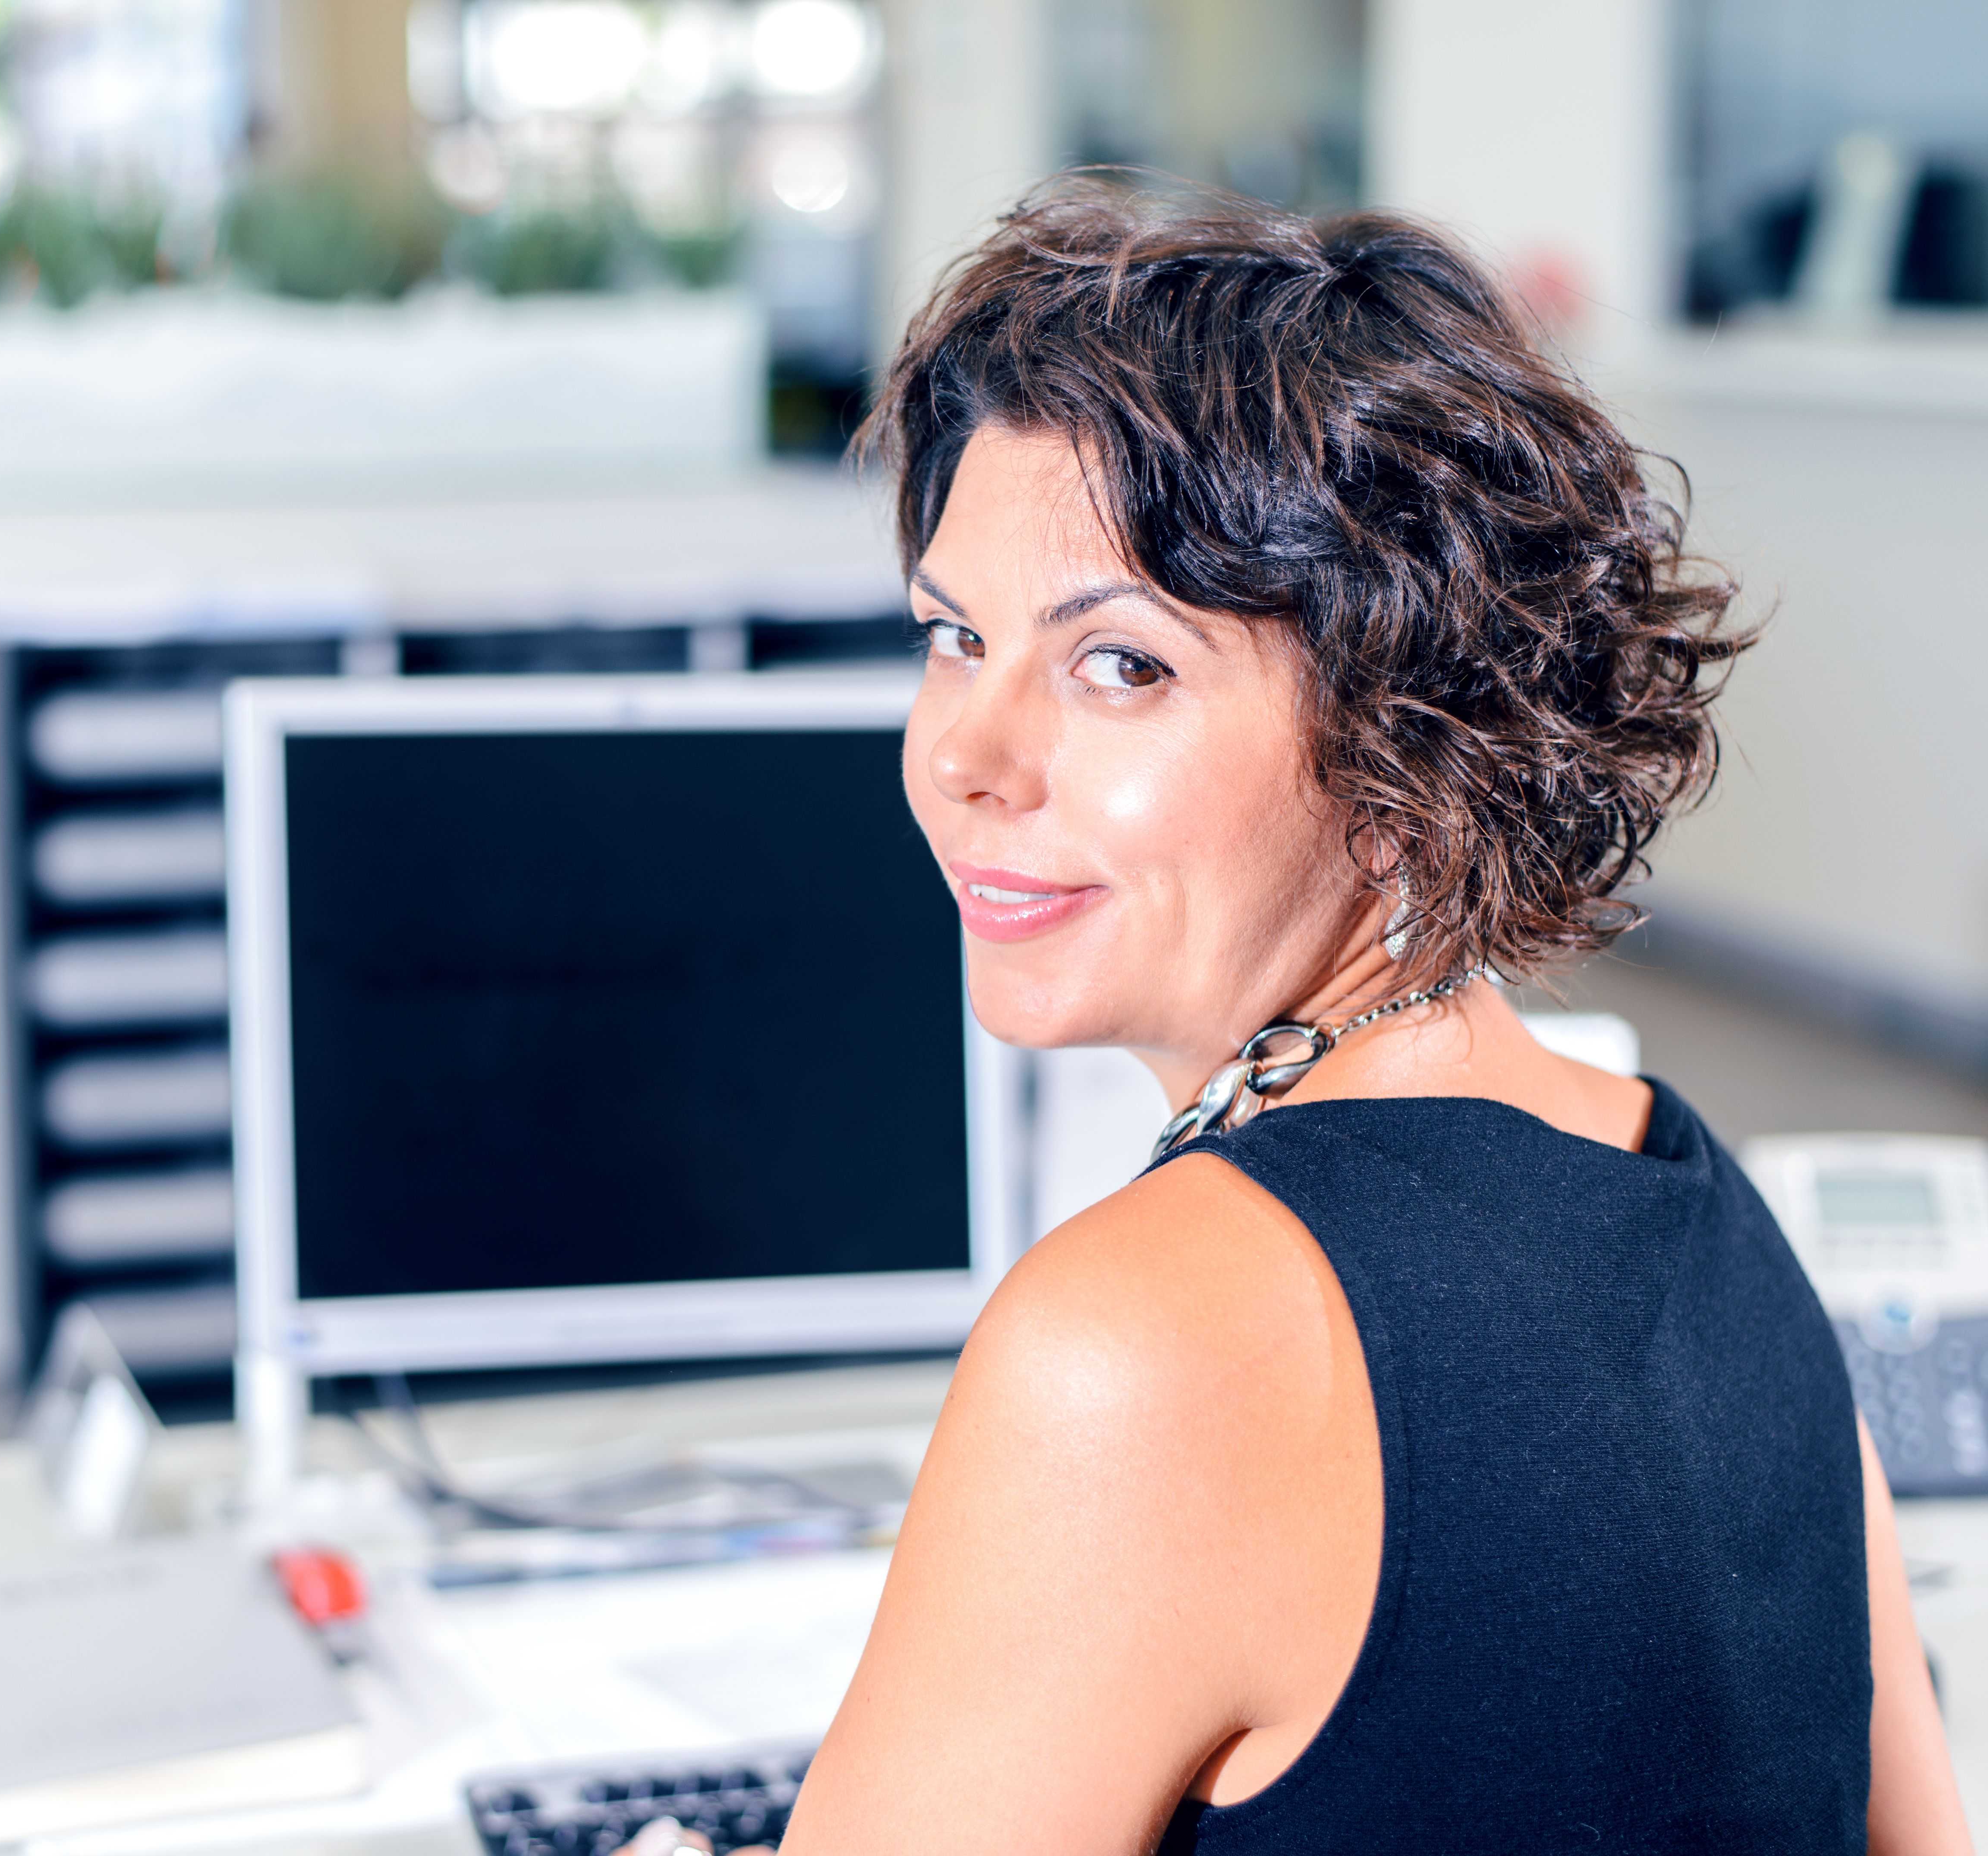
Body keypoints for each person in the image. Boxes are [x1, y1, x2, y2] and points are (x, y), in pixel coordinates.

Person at [634, 182, 1967, 1855]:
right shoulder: (1709, 1211)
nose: (966, 754)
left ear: (1412, 748)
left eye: (1122, 667)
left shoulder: (1139, 1344)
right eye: (955, 638)